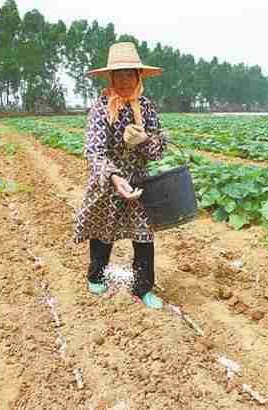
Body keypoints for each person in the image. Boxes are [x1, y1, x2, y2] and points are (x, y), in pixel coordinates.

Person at [73, 42, 167, 309]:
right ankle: (96, 275)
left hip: (138, 182)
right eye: (119, 75)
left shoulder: (146, 107)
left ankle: (142, 288)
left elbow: (159, 150)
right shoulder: (102, 107)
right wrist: (114, 177)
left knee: (144, 236)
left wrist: (145, 139)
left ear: (138, 76)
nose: (125, 80)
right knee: (103, 231)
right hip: (108, 181)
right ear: (111, 78)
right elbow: (93, 151)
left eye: (130, 74)